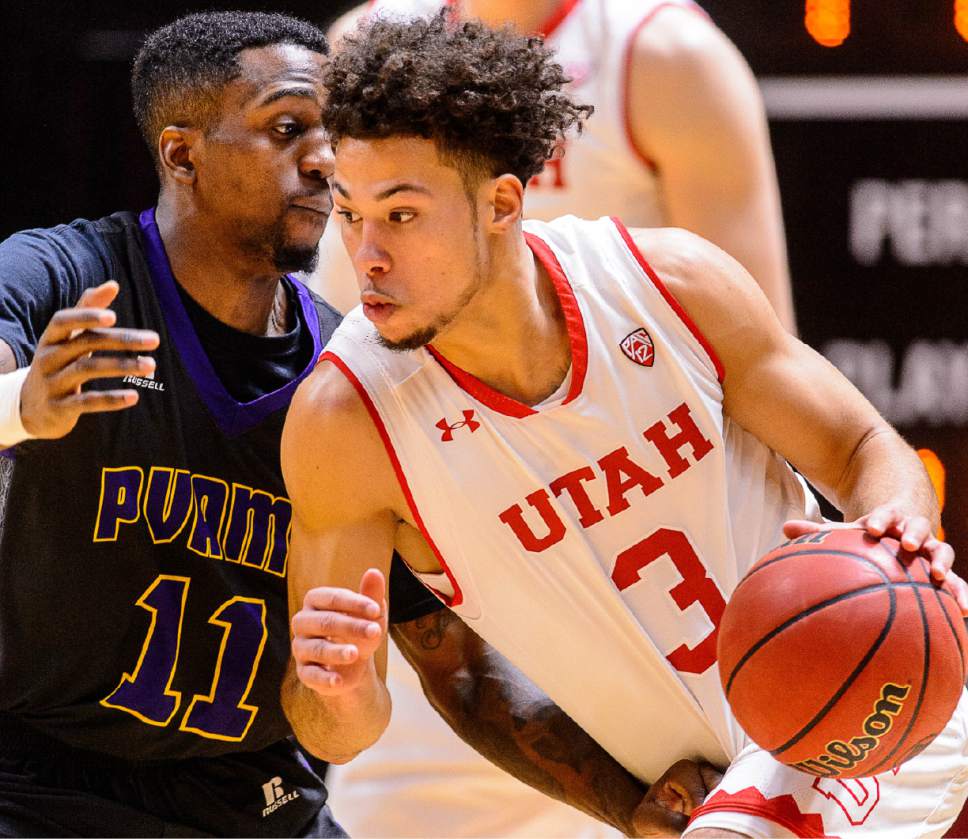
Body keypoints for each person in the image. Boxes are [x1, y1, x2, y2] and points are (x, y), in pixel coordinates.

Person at [282, 13, 968, 838]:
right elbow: (420, 690)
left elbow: (862, 447)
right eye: (348, 214)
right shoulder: (343, 420)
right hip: (704, 782)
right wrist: (341, 689)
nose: (367, 256)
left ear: (501, 203)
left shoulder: (668, 282)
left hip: (851, 697)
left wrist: (899, 528)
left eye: (401, 215)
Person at [316, 3, 796, 835]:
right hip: (449, 652)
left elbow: (757, 381)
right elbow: (333, 334)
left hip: (655, 650)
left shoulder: (665, 56)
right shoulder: (366, 45)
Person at [0, 11, 452, 836]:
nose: (325, 160)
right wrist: (20, 404)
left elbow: (423, 682)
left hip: (259, 797)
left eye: (334, 135)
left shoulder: (355, 379)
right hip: (38, 787)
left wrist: (345, 695)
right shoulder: (63, 275)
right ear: (182, 154)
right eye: (288, 129)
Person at [312, 0, 794, 333]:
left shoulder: (671, 57)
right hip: (433, 417)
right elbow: (338, 294)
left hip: (621, 420)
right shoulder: (366, 40)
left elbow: (758, 341)